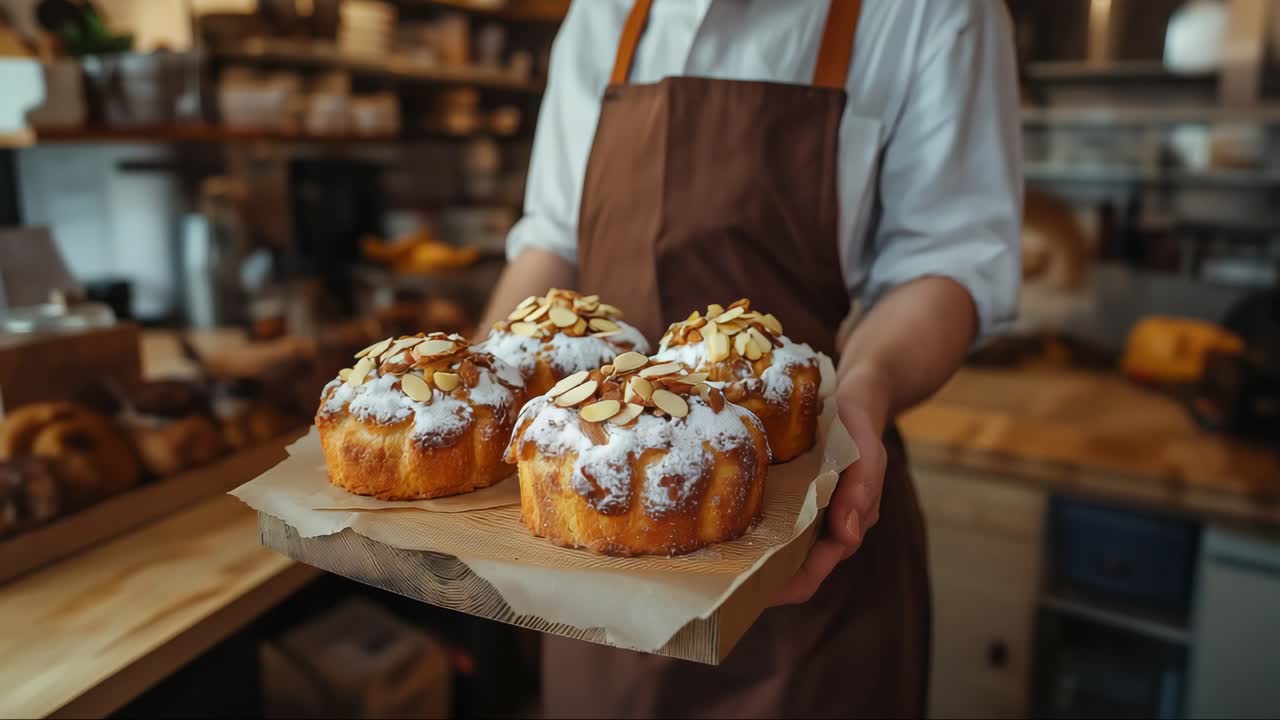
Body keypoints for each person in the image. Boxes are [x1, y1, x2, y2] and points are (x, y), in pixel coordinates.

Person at [479, 0, 1022, 716]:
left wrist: (866, 388)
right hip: (594, 540)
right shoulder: (605, 13)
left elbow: (947, 263)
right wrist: (480, 379)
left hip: (802, 549)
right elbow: (554, 241)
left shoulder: (931, 11)